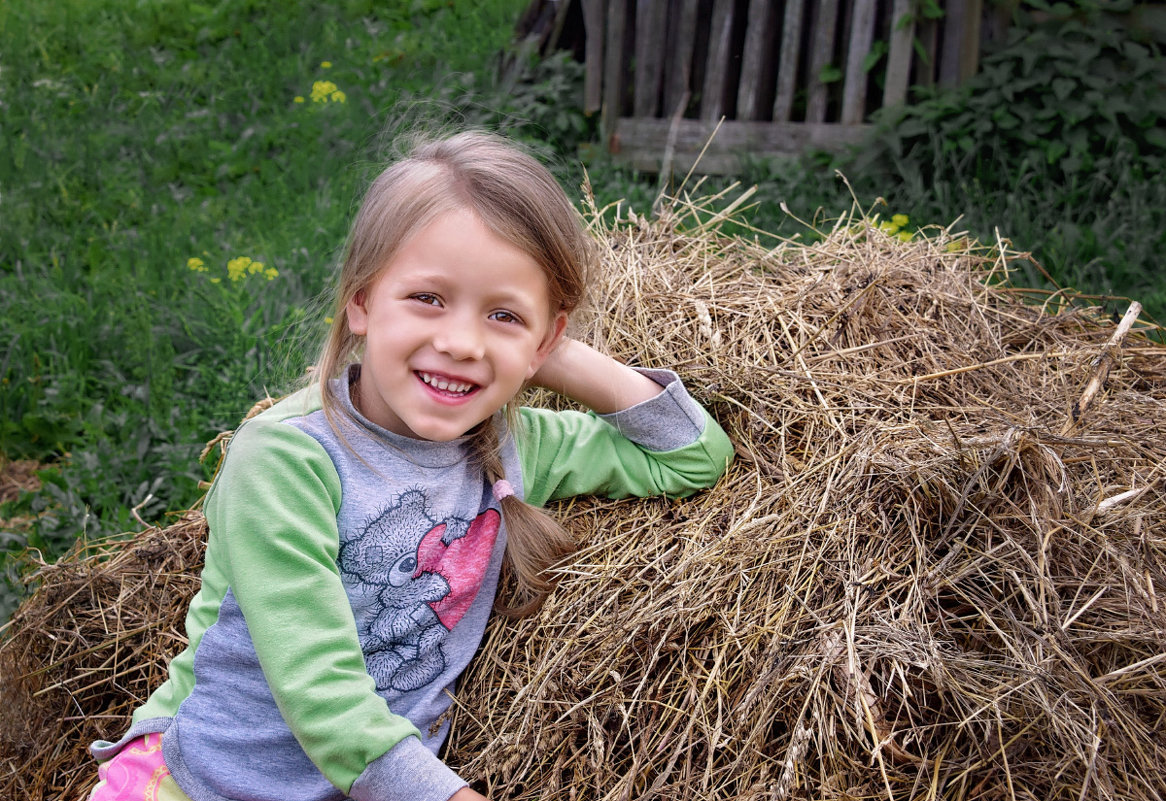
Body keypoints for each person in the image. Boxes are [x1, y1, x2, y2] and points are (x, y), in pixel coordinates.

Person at [87, 131, 733, 801]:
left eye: (501, 313)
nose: (458, 342)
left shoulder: (517, 447)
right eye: (428, 298)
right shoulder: (286, 457)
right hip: (200, 778)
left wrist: (548, 354)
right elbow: (322, 692)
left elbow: (691, 454)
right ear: (361, 300)